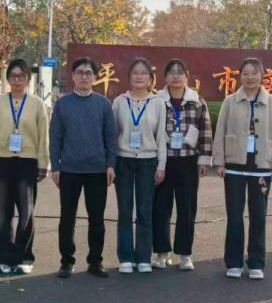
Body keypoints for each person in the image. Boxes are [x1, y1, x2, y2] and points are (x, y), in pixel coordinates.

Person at [212, 57, 272, 280]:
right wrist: (219, 162)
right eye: (245, 73)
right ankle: (234, 262)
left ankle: (256, 263)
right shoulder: (230, 102)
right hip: (234, 167)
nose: (250, 77)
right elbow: (220, 131)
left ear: (262, 76)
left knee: (258, 217)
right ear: (240, 76)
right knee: (234, 216)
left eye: (254, 73)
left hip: (261, 167)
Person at [50, 57, 118, 279]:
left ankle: (95, 261)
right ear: (73, 76)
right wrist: (55, 166)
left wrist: (110, 164)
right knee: (67, 218)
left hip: (97, 170)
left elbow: (111, 138)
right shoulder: (62, 104)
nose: (84, 76)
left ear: (95, 77)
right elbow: (55, 137)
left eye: (89, 73)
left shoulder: (103, 104)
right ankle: (66, 261)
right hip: (69, 170)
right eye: (80, 72)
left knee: (96, 219)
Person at [0, 59, 50, 275]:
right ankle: (4, 259)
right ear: (8, 79)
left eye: (21, 76)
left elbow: (43, 137)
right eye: (13, 76)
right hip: (2, 161)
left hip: (27, 162)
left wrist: (43, 163)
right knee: (2, 213)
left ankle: (24, 258)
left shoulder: (37, 104)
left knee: (26, 213)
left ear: (28, 79)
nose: (17, 80)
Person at [152, 59, 213, 271]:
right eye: (171, 72)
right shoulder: (157, 101)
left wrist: (204, 159)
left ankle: (185, 254)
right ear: (165, 77)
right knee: (161, 208)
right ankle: (162, 252)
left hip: (188, 161)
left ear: (187, 76)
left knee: (187, 208)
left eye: (180, 72)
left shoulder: (197, 101)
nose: (176, 76)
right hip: (163, 161)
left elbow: (205, 130)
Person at [111, 58, 167, 274]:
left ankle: (144, 257)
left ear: (151, 78)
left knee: (145, 210)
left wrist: (161, 165)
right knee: (125, 210)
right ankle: (126, 257)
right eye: (135, 73)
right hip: (123, 160)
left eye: (144, 73)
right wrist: (111, 164)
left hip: (148, 161)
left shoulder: (158, 103)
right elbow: (112, 135)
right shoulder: (119, 102)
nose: (139, 76)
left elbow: (161, 136)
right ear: (129, 77)